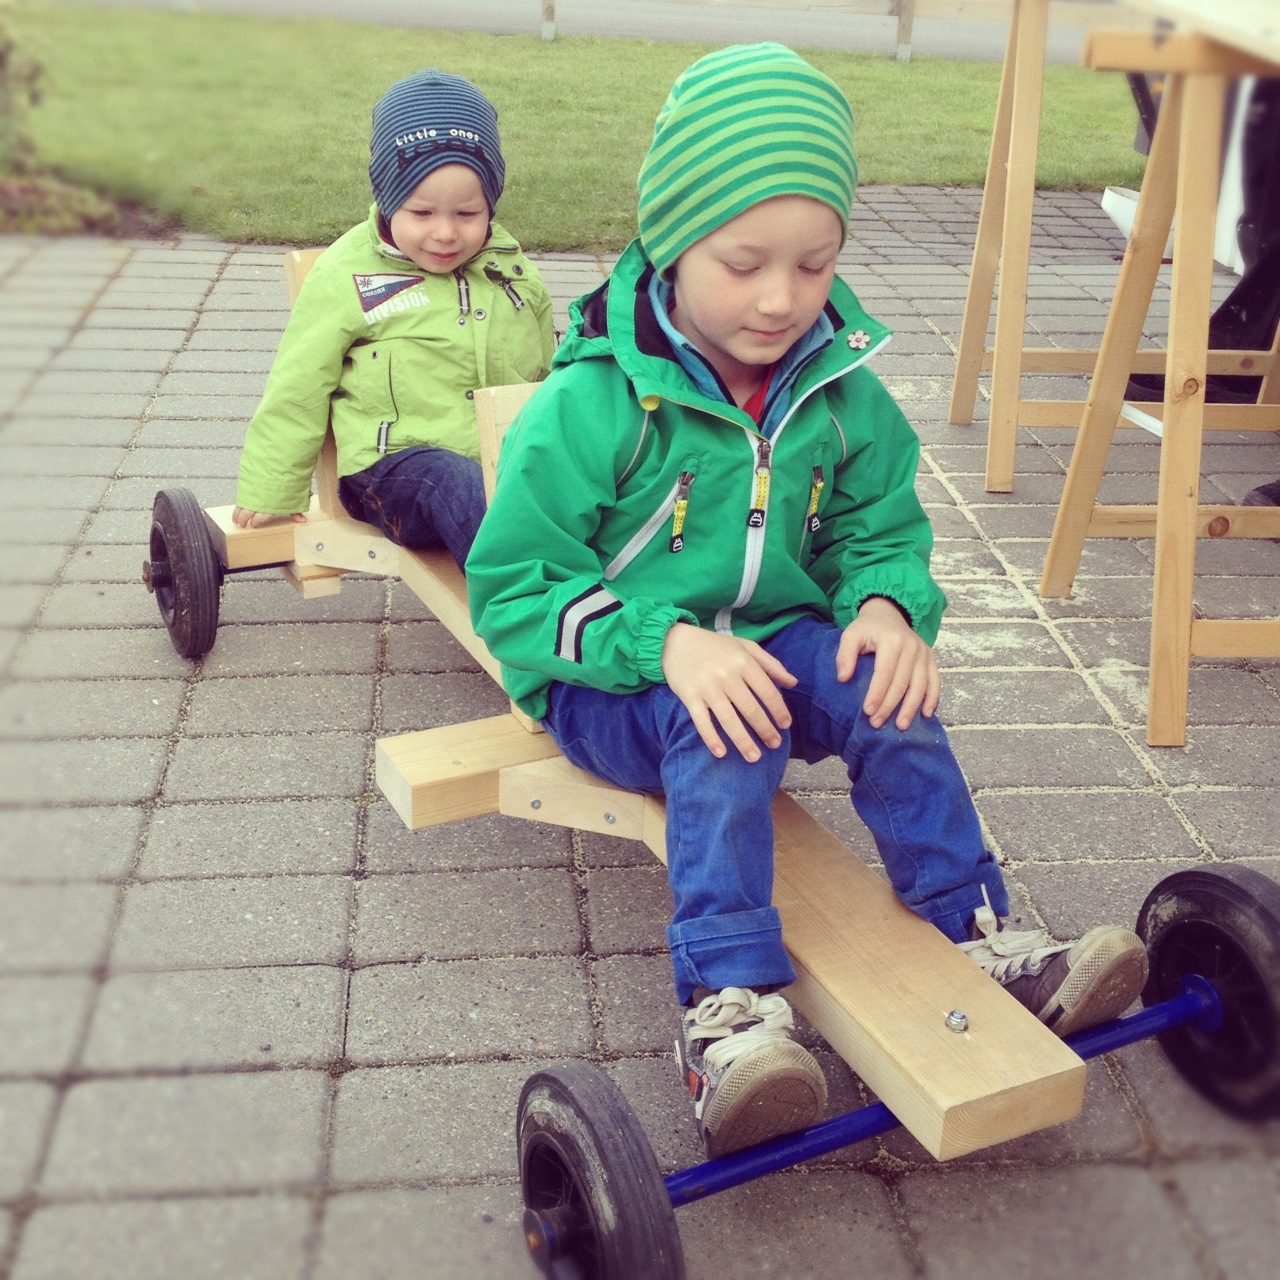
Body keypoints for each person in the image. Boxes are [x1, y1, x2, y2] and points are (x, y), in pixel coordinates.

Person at [467, 43, 1149, 1158]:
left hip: (769, 645)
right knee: (720, 729)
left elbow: (877, 526)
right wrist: (665, 642)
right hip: (611, 682)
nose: (781, 297)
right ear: (669, 241)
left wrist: (883, 608)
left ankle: (979, 935)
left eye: (815, 263)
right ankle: (728, 1013)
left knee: (886, 690)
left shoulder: (838, 393)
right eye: (742, 263)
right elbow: (512, 589)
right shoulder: (591, 404)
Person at [232, 69, 555, 569]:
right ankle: (529, 590)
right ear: (387, 198)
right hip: (393, 473)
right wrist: (272, 487)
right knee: (449, 481)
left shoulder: (511, 271)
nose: (445, 233)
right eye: (421, 213)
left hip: (502, 463)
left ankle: (628, 575)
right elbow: (299, 385)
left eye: (467, 214)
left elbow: (550, 377)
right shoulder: (347, 276)